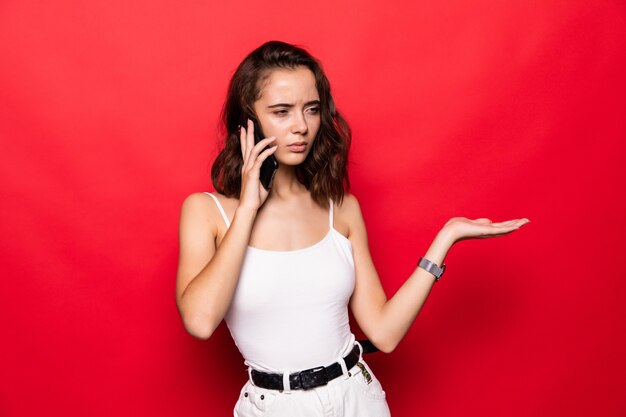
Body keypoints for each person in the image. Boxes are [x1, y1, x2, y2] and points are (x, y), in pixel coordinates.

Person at [175, 40, 529, 417]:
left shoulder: (340, 209)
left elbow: (384, 334)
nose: (301, 127)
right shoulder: (207, 212)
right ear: (249, 120)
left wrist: (446, 239)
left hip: (357, 398)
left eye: (311, 109)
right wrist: (247, 207)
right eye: (281, 111)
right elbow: (199, 321)